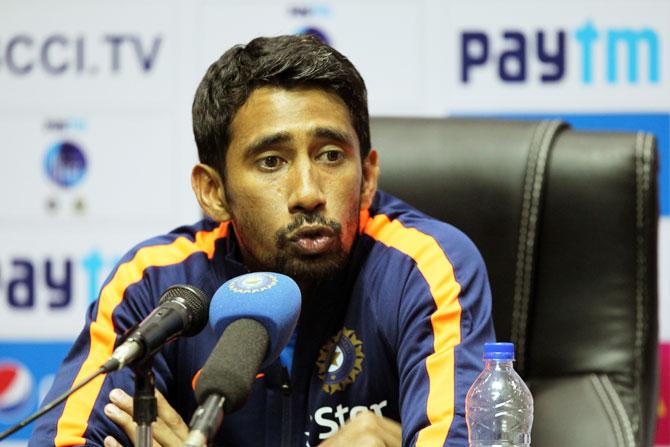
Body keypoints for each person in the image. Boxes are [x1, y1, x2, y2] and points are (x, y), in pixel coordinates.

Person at [29, 35, 495, 447]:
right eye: (272, 162)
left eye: (331, 156)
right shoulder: (158, 285)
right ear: (213, 192)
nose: (309, 193)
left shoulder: (424, 265)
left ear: (368, 176)